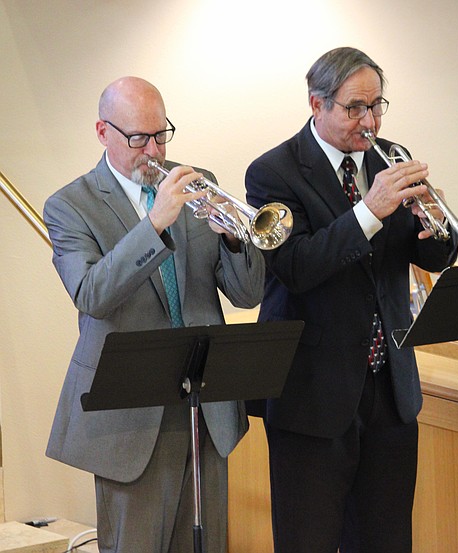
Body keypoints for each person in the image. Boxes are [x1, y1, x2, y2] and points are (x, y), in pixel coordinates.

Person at [244, 47, 458, 552]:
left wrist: (436, 225)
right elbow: (297, 267)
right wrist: (369, 210)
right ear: (317, 105)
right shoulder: (273, 172)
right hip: (312, 395)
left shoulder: (391, 155)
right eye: (355, 108)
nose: (370, 121)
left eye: (378, 105)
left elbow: (429, 257)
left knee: (386, 540)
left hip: (389, 389)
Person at [43, 76, 265, 553]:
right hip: (129, 415)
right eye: (139, 138)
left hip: (205, 409)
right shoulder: (69, 206)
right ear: (103, 132)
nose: (154, 151)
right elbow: (91, 294)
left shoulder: (194, 182)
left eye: (162, 135)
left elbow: (247, 295)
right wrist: (154, 223)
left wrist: (231, 237)